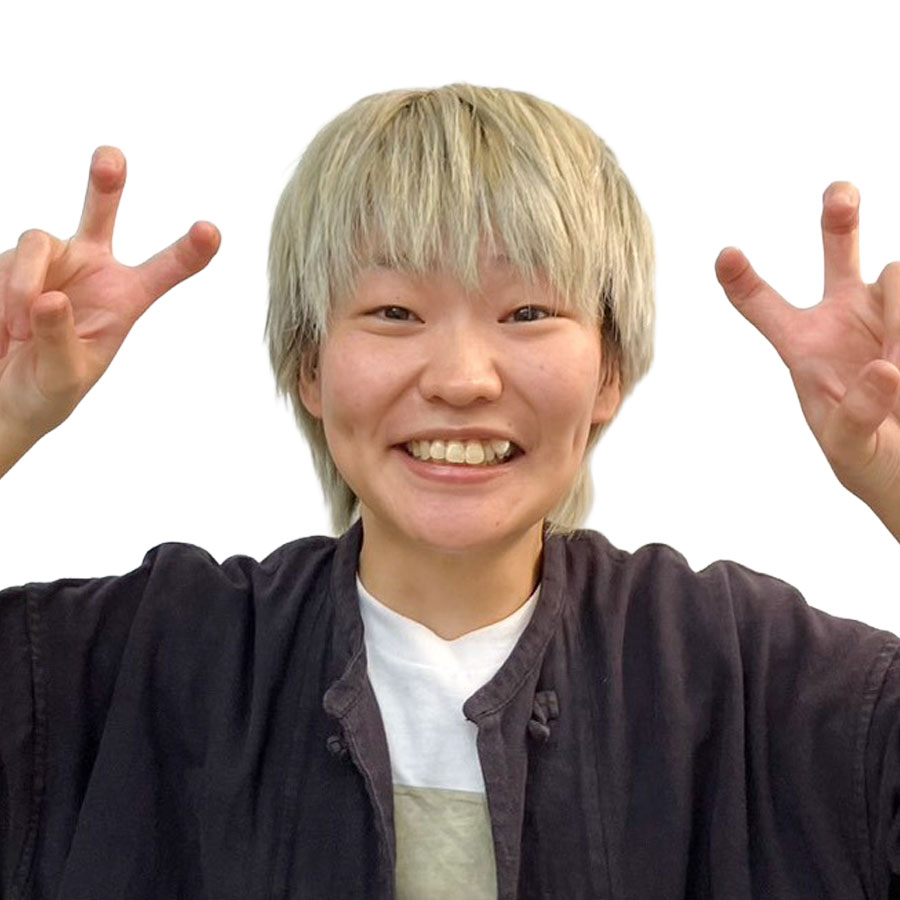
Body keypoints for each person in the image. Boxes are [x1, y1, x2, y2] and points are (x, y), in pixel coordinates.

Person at [0, 84, 898, 900]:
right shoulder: (137, 661)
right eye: (394, 312)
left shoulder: (752, 677)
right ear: (310, 367)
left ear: (609, 372)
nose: (463, 378)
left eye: (528, 313)